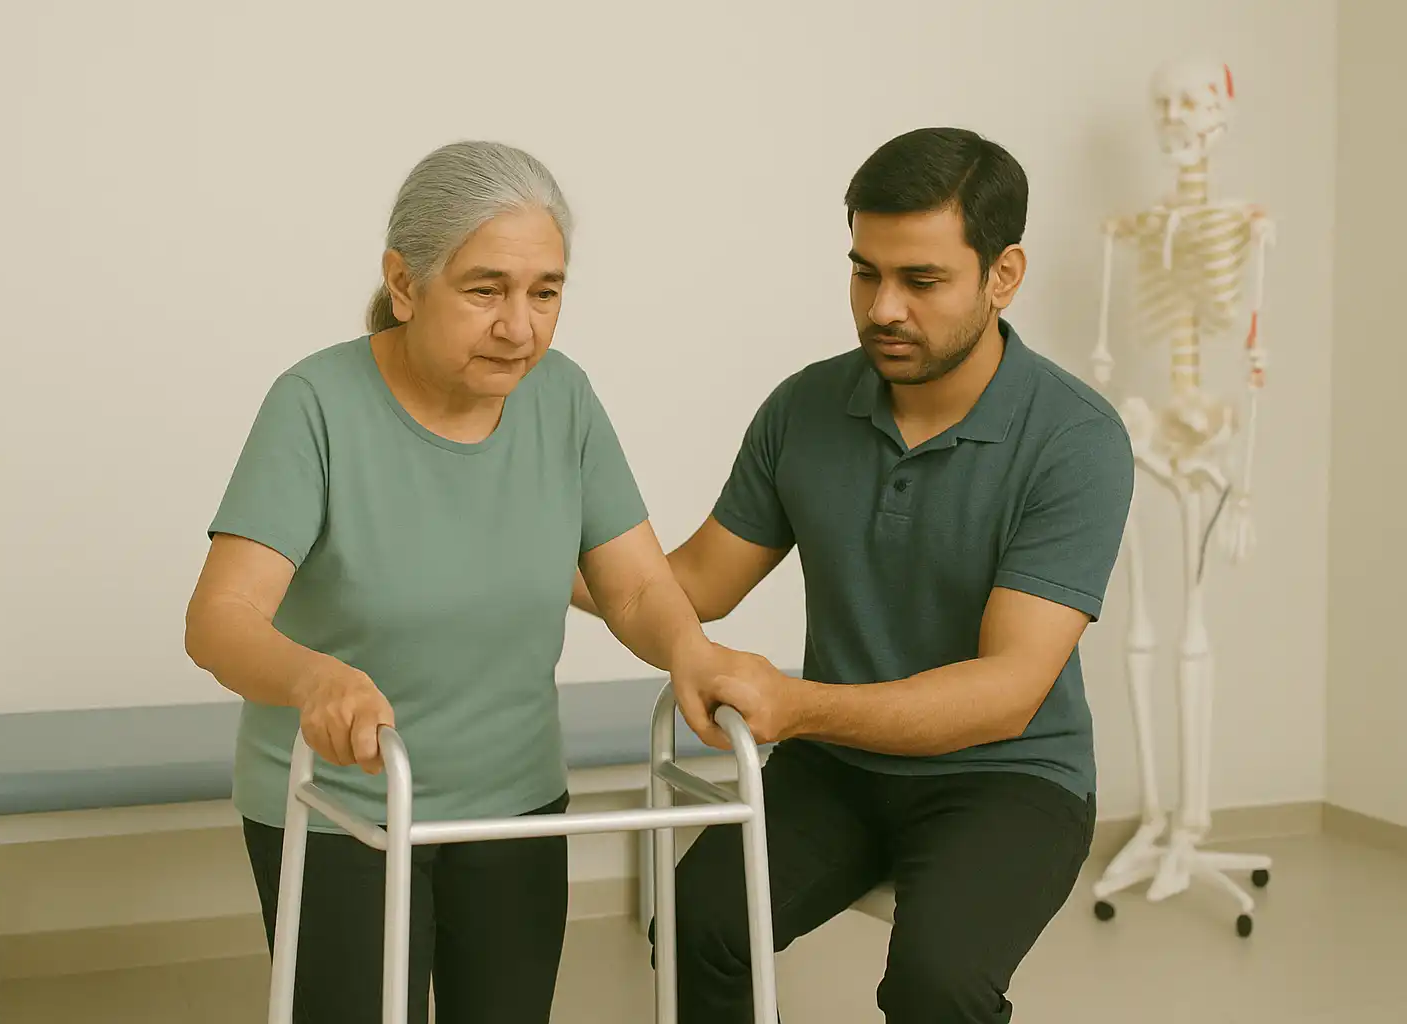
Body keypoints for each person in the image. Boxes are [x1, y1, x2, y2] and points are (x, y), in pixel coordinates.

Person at [183, 140, 770, 1024]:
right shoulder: (315, 406)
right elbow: (219, 618)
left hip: (515, 802)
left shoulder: (562, 399)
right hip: (343, 804)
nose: (520, 327)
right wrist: (317, 678)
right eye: (486, 289)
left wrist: (690, 651)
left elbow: (637, 589)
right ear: (406, 282)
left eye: (546, 292)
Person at [572, 127, 1135, 1023]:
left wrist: (794, 706)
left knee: (935, 984)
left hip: (1009, 778)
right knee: (695, 920)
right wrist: (514, 544)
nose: (883, 307)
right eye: (865, 271)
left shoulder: (1075, 439)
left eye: (921, 280)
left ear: (1004, 274)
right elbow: (693, 583)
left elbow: (1006, 693)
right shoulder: (806, 408)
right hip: (839, 769)